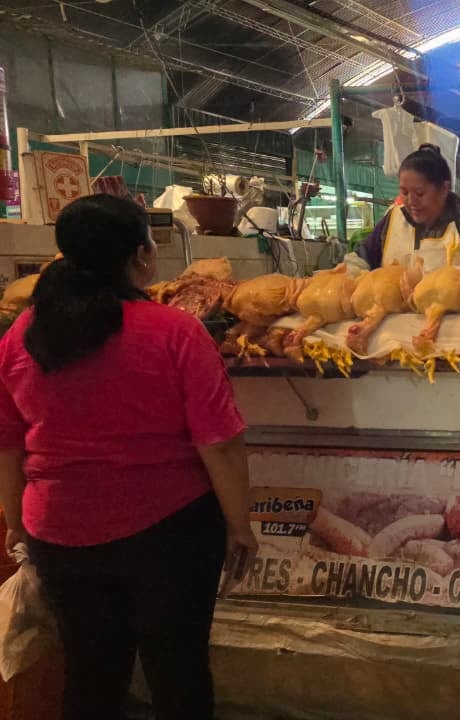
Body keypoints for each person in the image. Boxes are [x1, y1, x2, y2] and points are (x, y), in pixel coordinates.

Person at [0, 195, 256, 720]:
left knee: (91, 674)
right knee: (178, 670)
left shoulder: (22, 336)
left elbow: (8, 442)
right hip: (169, 534)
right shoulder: (175, 332)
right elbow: (220, 444)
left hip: (58, 533)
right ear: (141, 254)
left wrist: (15, 522)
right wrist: (239, 526)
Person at [352, 144, 460, 271]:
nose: (411, 201)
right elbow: (360, 260)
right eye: (404, 192)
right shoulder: (393, 219)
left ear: (444, 189)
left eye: (419, 193)